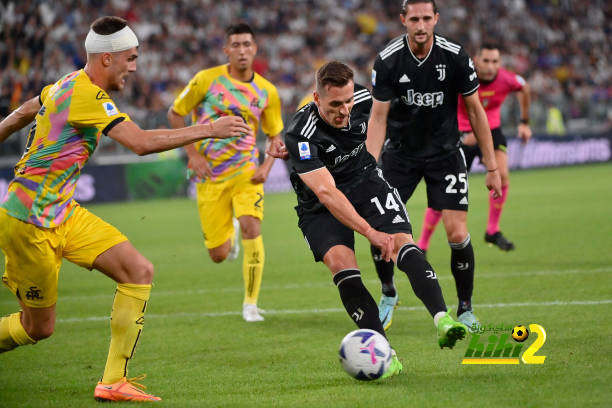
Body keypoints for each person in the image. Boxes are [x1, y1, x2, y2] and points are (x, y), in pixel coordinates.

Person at [0, 16, 252, 402]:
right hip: (29, 221)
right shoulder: (86, 94)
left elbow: (20, 115)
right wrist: (208, 129)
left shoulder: (64, 85)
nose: (134, 67)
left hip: (62, 212)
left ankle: (113, 381)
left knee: (138, 270)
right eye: (130, 59)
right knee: (38, 328)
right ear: (107, 59)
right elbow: (139, 143)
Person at [269, 61, 468, 378]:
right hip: (319, 203)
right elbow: (326, 192)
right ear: (317, 99)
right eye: (335, 104)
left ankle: (442, 319)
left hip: (365, 181)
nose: (344, 110)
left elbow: (388, 118)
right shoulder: (301, 134)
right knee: (341, 264)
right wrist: (369, 232)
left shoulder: (363, 100)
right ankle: (386, 355)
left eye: (348, 101)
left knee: (403, 243)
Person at [366, 0, 502, 332]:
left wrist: (493, 165)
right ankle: (388, 293)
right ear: (403, 21)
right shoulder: (387, 61)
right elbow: (378, 118)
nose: (422, 25)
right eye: (415, 18)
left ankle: (466, 308)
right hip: (400, 156)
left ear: (436, 19)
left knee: (457, 232)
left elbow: (475, 112)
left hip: (445, 155)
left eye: (427, 18)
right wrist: (368, 168)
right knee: (381, 230)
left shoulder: (456, 57)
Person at [168, 23, 284, 323]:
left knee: (252, 228)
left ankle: (250, 304)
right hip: (210, 176)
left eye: (247, 44)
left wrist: (266, 167)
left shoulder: (267, 91)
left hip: (246, 172)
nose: (242, 50)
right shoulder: (206, 80)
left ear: (255, 48)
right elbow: (175, 113)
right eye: (236, 45)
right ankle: (227, 236)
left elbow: (275, 137)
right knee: (218, 254)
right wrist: (192, 155)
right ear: (226, 49)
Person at [417, 43, 532, 253]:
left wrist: (525, 122)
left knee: (503, 175)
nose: (490, 66)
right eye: (486, 61)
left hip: (492, 131)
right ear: (475, 61)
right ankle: (422, 244)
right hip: (460, 135)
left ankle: (492, 230)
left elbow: (524, 88)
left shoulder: (506, 78)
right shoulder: (460, 75)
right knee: (443, 193)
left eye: (495, 61)